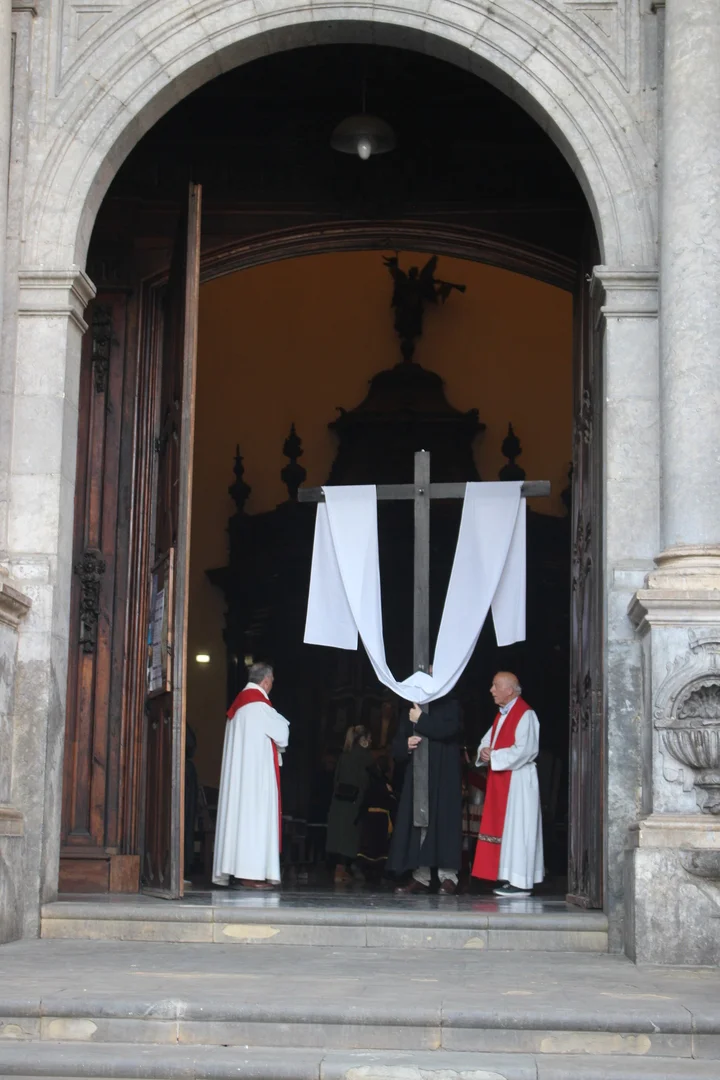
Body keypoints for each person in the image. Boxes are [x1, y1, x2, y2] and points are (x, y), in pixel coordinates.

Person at [212, 662, 289, 890]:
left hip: (241, 781)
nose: (272, 684)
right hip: (256, 781)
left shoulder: (238, 708)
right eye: (271, 681)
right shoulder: (259, 707)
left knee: (240, 820)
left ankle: (238, 871)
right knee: (254, 820)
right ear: (265, 681)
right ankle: (250, 875)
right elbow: (282, 734)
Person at [471, 671, 544, 898]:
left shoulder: (525, 714)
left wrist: (493, 756)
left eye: (495, 686)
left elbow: (526, 749)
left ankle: (522, 882)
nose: (491, 690)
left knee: (519, 830)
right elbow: (488, 741)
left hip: (519, 781)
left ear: (509, 690)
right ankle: (511, 878)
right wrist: (484, 751)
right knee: (509, 831)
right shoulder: (502, 714)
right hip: (505, 778)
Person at [386, 696, 463, 894]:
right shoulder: (413, 706)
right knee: (420, 822)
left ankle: (448, 876)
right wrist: (405, 744)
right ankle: (421, 876)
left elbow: (449, 729)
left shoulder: (449, 702)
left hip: (444, 774)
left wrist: (421, 720)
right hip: (419, 774)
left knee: (444, 822)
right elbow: (396, 745)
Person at [326, 725, 374, 884]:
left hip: (339, 801)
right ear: (363, 740)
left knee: (340, 836)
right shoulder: (365, 756)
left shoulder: (344, 755)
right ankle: (344, 870)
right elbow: (372, 778)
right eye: (369, 738)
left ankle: (340, 870)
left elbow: (336, 779)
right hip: (355, 802)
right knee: (351, 837)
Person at [356, 756, 397, 883]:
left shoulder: (370, 781)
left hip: (371, 818)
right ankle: (377, 871)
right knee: (379, 847)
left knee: (370, 846)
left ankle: (368, 870)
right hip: (380, 819)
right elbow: (391, 801)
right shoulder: (384, 784)